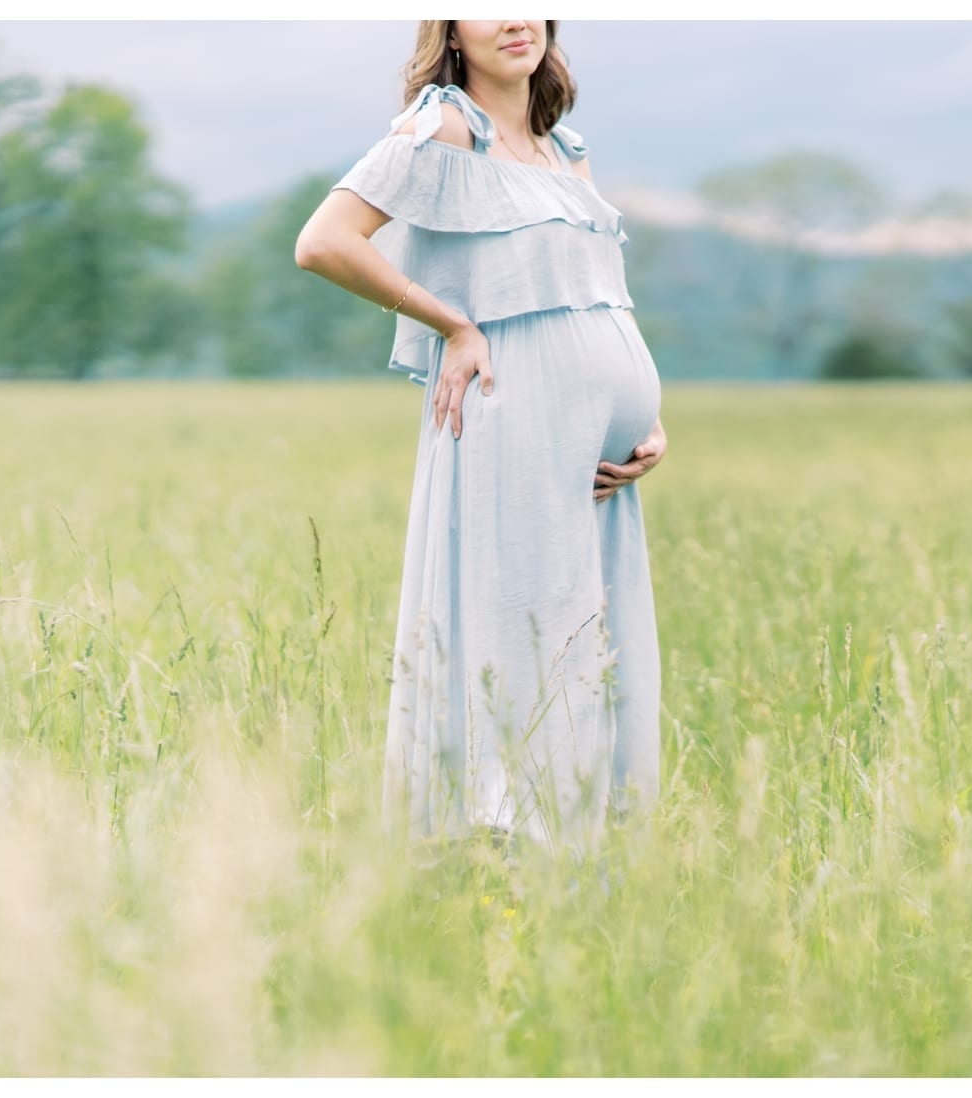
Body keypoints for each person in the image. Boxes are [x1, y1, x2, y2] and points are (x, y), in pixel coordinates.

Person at [295, 20, 665, 861]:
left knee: (590, 649)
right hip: (513, 427)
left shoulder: (564, 149)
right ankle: (501, 862)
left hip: (599, 468)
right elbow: (323, 243)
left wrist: (648, 419)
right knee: (525, 639)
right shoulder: (442, 126)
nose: (514, 18)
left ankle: (582, 868)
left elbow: (598, 299)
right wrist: (452, 324)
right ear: (450, 28)